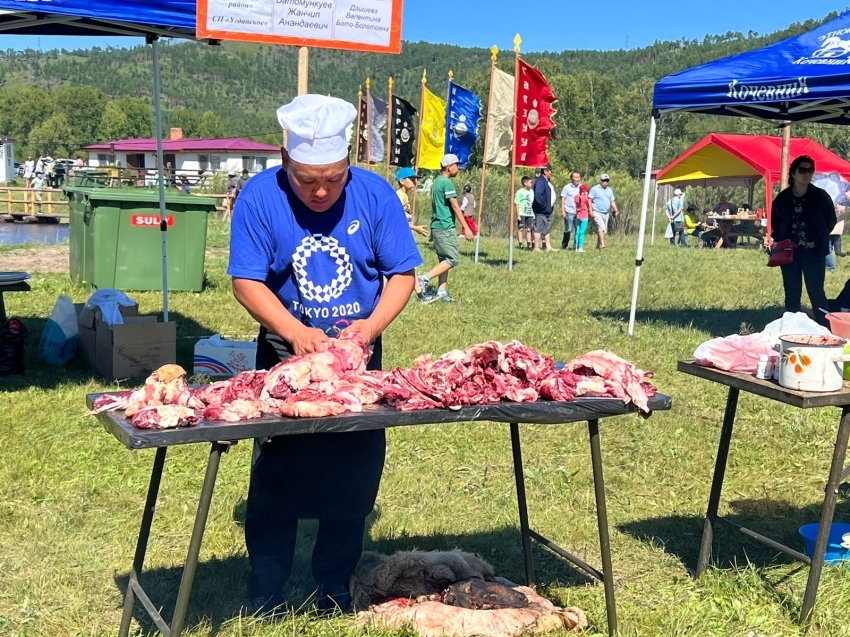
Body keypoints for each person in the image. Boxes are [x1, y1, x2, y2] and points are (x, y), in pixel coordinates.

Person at [228, 94, 422, 616]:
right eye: (307, 178)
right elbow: (246, 280)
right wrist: (293, 331)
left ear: (348, 166)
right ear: (286, 161)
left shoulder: (376, 196)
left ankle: (334, 586)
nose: (320, 190)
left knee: (353, 471)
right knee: (276, 472)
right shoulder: (258, 197)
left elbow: (402, 272)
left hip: (356, 357)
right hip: (284, 351)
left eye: (333, 179)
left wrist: (368, 330)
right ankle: (266, 590)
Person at [771, 154, 836, 327]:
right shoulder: (783, 198)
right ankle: (791, 328)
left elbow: (830, 221)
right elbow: (776, 222)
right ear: (793, 173)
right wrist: (782, 239)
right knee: (792, 292)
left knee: (816, 292)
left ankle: (825, 328)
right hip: (789, 252)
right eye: (802, 170)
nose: (807, 174)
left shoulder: (821, 197)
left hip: (814, 252)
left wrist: (816, 238)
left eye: (810, 170)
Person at [418, 154, 474, 302]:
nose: (459, 168)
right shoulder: (446, 183)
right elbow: (455, 206)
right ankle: (423, 279)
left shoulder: (436, 182)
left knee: (444, 259)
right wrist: (466, 227)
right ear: (449, 167)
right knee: (452, 259)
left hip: (437, 226)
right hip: (445, 226)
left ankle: (441, 291)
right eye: (457, 165)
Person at [395, 167, 431, 302]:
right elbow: (397, 219)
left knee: (410, 264)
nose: (415, 182)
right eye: (412, 179)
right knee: (408, 263)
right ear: (402, 181)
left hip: (406, 232)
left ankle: (420, 294)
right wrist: (415, 228)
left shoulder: (403, 195)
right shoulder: (399, 195)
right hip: (403, 234)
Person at [588, 174, 619, 249]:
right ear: (601, 181)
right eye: (604, 181)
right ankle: (603, 245)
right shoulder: (595, 189)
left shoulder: (609, 190)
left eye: (607, 181)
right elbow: (589, 199)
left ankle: (598, 246)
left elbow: (612, 201)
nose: (605, 182)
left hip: (606, 213)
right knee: (601, 228)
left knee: (604, 230)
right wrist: (590, 210)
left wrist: (616, 210)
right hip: (597, 212)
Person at [532, 165, 557, 252]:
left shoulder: (545, 181)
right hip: (541, 210)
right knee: (538, 228)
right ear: (546, 171)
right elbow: (538, 195)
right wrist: (544, 206)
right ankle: (536, 247)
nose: (551, 173)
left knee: (546, 228)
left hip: (546, 211)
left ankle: (548, 247)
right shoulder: (540, 181)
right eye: (550, 171)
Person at [560, 171, 581, 250]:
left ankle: (575, 246)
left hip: (578, 212)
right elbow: (563, 199)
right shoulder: (567, 187)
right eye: (575, 177)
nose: (577, 179)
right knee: (568, 229)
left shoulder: (581, 187)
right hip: (569, 211)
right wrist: (563, 210)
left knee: (578, 229)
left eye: (578, 177)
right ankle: (564, 245)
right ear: (572, 178)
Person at [514, 176, 534, 250]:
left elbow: (532, 203)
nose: (531, 184)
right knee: (521, 228)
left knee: (529, 229)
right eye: (530, 182)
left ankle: (529, 244)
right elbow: (517, 203)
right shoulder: (519, 192)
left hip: (529, 213)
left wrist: (533, 213)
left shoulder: (531, 191)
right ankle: (520, 244)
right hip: (522, 213)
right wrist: (518, 214)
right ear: (525, 183)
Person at [573, 183, 591, 252]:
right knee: (582, 232)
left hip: (578, 216)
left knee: (577, 232)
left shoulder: (576, 197)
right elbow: (589, 205)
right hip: (584, 216)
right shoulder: (586, 198)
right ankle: (580, 247)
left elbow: (578, 201)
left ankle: (576, 247)